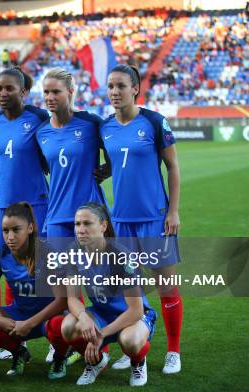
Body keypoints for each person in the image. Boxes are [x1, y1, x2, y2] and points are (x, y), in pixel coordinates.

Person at [100, 64, 182, 374]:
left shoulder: (153, 121)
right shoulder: (105, 127)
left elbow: (173, 168)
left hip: (154, 219)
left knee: (166, 287)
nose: (114, 92)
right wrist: (105, 171)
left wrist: (173, 211)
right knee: (128, 291)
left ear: (135, 88)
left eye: (121, 86)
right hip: (120, 221)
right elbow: (114, 161)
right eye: (110, 86)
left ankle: (173, 350)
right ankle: (130, 346)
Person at [46, 203, 157, 387]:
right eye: (77, 224)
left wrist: (101, 335)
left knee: (129, 341)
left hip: (133, 316)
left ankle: (138, 362)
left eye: (87, 224)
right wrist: (84, 316)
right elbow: (72, 298)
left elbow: (135, 311)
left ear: (103, 226)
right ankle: (96, 361)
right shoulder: (73, 252)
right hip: (102, 313)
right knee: (69, 327)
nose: (80, 230)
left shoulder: (121, 256)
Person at [0, 67, 50, 360]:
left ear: (24, 92)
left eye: (9, 88)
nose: (2, 93)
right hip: (2, 208)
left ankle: (56, 335)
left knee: (48, 270)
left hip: (36, 207)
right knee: (10, 267)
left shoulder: (38, 118)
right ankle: (16, 341)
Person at [0, 202, 68, 378]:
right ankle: (19, 353)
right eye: (5, 230)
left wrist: (30, 323)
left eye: (16, 230)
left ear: (30, 228)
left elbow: (62, 300)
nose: (10, 236)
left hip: (47, 318)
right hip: (20, 314)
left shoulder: (47, 253)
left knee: (60, 325)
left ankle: (60, 358)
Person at [36, 68, 106, 238]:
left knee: (96, 264)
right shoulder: (41, 132)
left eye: (56, 92)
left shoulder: (90, 123)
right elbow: (46, 167)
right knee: (60, 265)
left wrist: (107, 170)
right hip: (56, 214)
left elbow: (116, 150)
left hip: (90, 213)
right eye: (46, 92)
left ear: (70, 91)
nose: (49, 97)